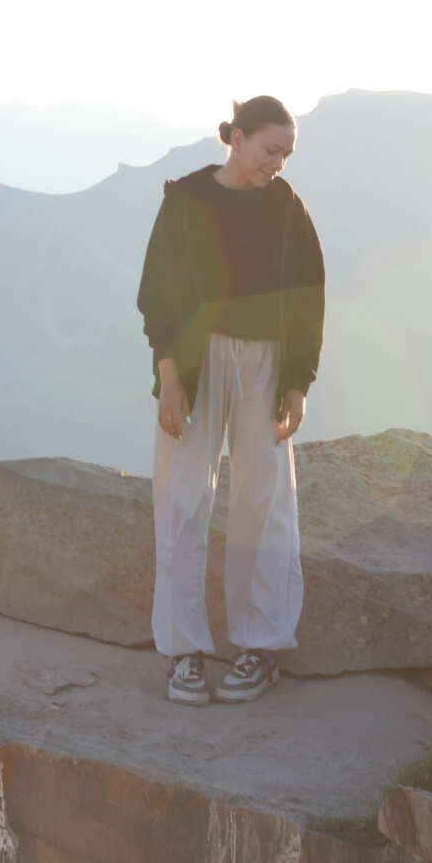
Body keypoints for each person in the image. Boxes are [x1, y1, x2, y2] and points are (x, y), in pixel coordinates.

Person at [136, 95, 325, 704]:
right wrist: (169, 377)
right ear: (236, 139)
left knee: (263, 498)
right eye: (271, 151)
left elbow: (308, 295)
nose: (279, 164)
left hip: (266, 361)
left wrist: (299, 381)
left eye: (287, 154)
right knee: (184, 494)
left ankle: (259, 647)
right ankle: (184, 652)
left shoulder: (287, 207)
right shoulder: (186, 199)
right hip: (197, 361)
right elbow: (158, 297)